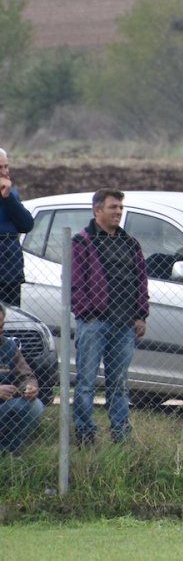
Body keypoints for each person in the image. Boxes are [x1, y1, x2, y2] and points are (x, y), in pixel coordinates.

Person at [70, 189, 149, 445]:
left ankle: (121, 435)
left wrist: (140, 315)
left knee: (119, 384)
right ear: (97, 210)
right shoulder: (81, 242)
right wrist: (87, 314)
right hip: (94, 324)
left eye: (120, 208)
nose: (118, 212)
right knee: (85, 384)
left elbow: (141, 282)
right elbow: (73, 283)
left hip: (124, 325)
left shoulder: (130, 243)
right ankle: (85, 435)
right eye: (113, 207)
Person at [0, 304, 44, 455]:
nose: (1, 330)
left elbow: (25, 375)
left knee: (35, 406)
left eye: (1, 325)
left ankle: (7, 452)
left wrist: (29, 387)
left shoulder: (8, 346)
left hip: (3, 407)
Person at [0, 148, 34, 307]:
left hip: (10, 275)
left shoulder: (11, 194)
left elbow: (26, 224)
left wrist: (7, 198)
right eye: (0, 168)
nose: (5, 172)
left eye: (6, 167)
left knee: (11, 324)